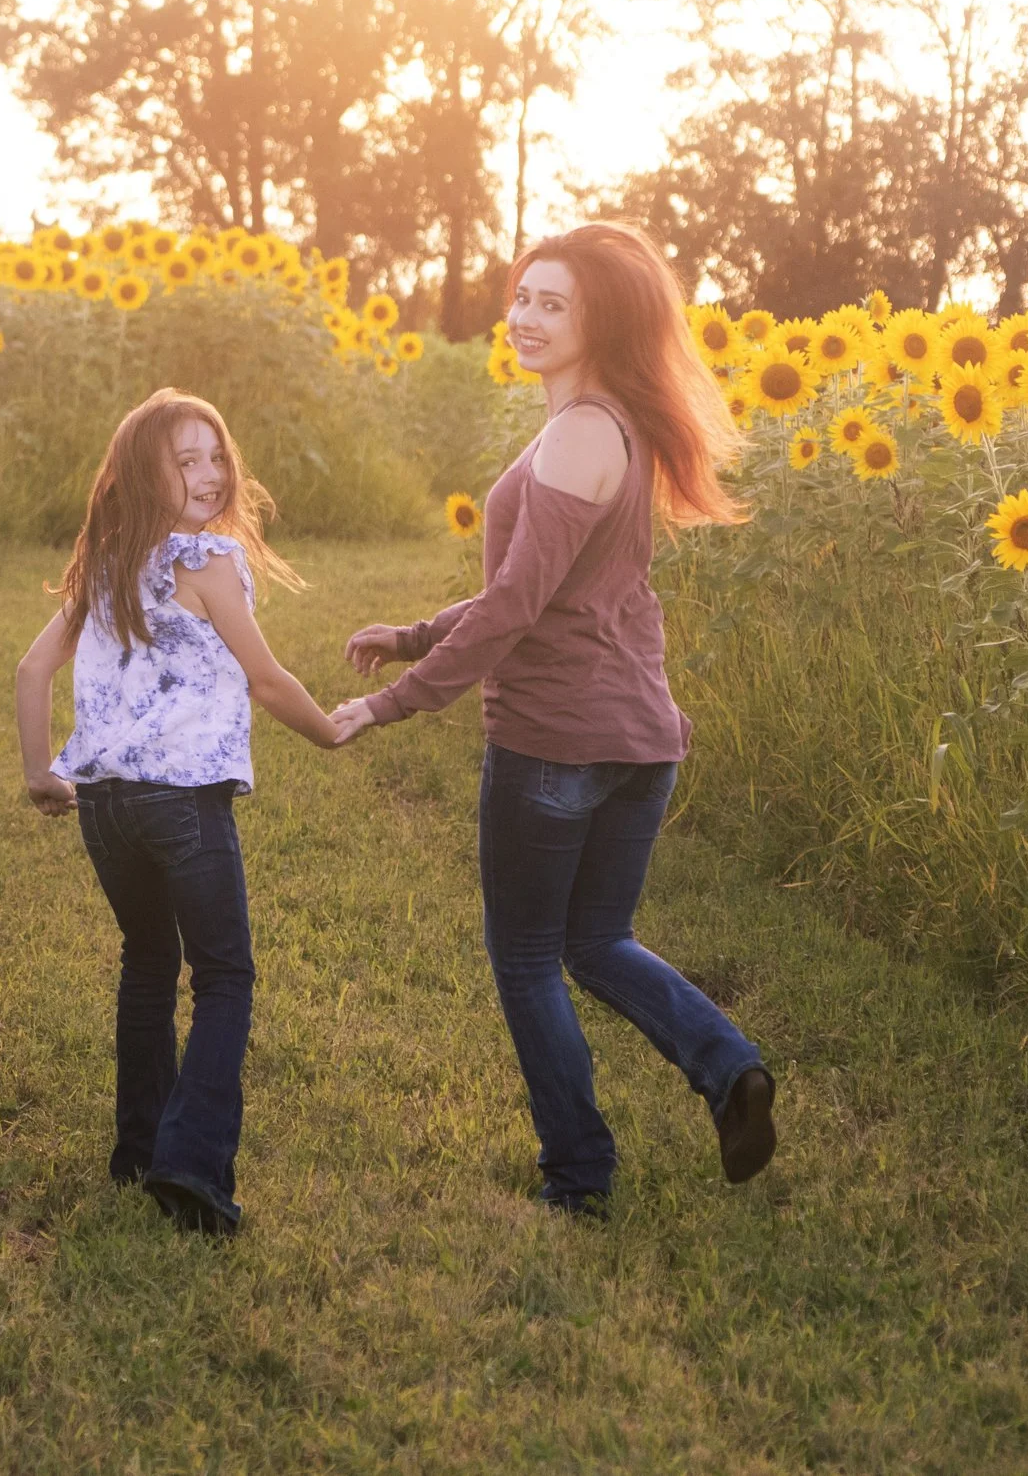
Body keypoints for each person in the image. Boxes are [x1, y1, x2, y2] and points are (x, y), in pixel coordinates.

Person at [330, 222, 775, 1220]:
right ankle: (728, 1064)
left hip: (554, 741)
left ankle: (578, 1171)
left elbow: (517, 607)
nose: (524, 317)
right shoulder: (607, 422)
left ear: (598, 320)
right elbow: (544, 589)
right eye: (521, 296)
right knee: (599, 938)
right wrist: (412, 632)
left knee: (530, 952)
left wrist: (390, 700)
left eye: (551, 303)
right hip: (636, 739)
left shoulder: (578, 433)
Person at [15, 387, 348, 1237]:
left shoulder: (103, 568)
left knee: (147, 961)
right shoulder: (205, 561)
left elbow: (30, 672)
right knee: (225, 975)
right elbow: (268, 679)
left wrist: (39, 773)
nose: (210, 473)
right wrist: (331, 729)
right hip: (183, 804)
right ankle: (192, 1165)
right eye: (186, 460)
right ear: (141, 476)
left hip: (106, 810)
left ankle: (136, 1153)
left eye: (216, 455)